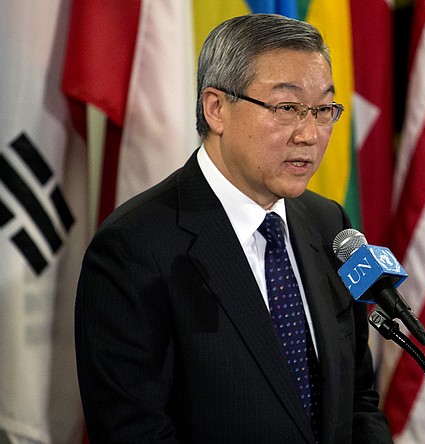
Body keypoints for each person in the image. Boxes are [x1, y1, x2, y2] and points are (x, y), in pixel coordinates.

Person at [75, 13, 393, 443]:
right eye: (286, 108)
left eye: (322, 110)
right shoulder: (133, 248)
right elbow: (134, 431)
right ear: (216, 108)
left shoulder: (327, 223)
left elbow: (356, 400)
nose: (310, 134)